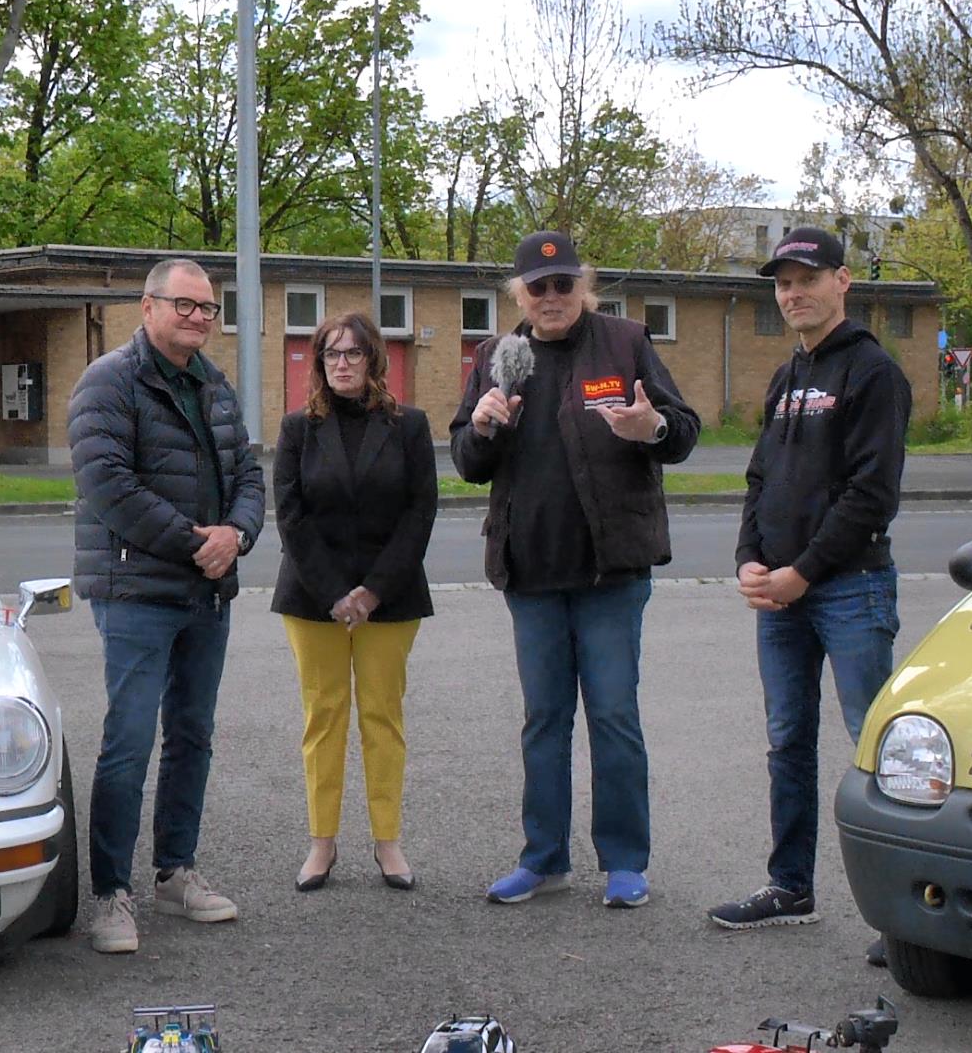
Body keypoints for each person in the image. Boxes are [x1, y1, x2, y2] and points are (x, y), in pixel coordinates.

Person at [450, 229, 701, 909]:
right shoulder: (496, 356)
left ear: (583, 288)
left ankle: (624, 862)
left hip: (610, 573)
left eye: (564, 285)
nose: (552, 297)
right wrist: (480, 428)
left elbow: (683, 431)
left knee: (615, 716)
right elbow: (468, 464)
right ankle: (544, 859)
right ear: (520, 295)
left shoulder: (625, 343)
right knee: (544, 720)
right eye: (539, 286)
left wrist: (650, 428)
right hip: (530, 574)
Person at [706, 227, 911, 962]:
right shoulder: (787, 377)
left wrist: (805, 572)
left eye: (806, 279)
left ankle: (907, 916)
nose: (793, 293)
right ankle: (790, 887)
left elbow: (870, 496)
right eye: (782, 283)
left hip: (849, 590)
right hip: (781, 595)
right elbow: (761, 480)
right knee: (788, 745)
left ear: (842, 281)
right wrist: (750, 561)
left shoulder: (873, 373)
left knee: (880, 750)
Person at [67, 257, 265, 954]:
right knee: (128, 741)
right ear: (147, 308)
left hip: (205, 593)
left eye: (207, 309)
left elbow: (248, 472)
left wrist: (237, 534)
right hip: (136, 594)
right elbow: (107, 485)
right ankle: (110, 895)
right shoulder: (110, 382)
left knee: (193, 735)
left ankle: (175, 872)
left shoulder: (214, 385)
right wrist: (197, 544)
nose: (197, 318)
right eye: (184, 305)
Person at [271, 312, 438, 893]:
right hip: (313, 598)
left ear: (373, 360)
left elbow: (420, 513)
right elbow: (290, 515)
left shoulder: (410, 426)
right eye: (331, 354)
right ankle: (322, 843)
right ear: (319, 363)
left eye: (353, 354)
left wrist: (371, 590)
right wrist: (335, 592)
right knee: (324, 718)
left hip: (388, 599)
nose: (342, 363)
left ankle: (387, 842)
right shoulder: (297, 429)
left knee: (382, 717)